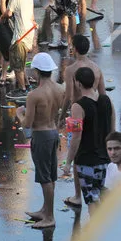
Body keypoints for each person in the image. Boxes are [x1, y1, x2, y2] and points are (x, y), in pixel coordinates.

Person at [16, 52, 63, 229]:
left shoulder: (34, 95)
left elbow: (28, 124)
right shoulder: (60, 89)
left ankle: (49, 216)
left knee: (44, 177)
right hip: (53, 132)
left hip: (41, 136)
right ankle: (46, 209)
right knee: (50, 175)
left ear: (36, 72)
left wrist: (20, 114)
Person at [61, 34, 107, 208]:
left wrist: (60, 117)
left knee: (77, 150)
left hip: (78, 113)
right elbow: (103, 94)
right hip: (94, 114)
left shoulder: (72, 69)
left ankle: (78, 195)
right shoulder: (96, 68)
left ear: (75, 48)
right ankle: (94, 192)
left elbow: (68, 96)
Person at [62, 67, 114, 214]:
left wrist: (68, 162)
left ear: (78, 83)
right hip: (105, 159)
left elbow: (76, 137)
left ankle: (97, 233)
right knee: (100, 194)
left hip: (87, 160)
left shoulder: (78, 106)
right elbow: (112, 128)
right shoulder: (106, 100)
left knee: (91, 199)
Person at [0, 0, 34, 99]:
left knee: (17, 64)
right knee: (21, 62)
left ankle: (23, 90)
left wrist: (1, 18)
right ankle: (28, 86)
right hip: (29, 31)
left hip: (21, 33)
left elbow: (9, 12)